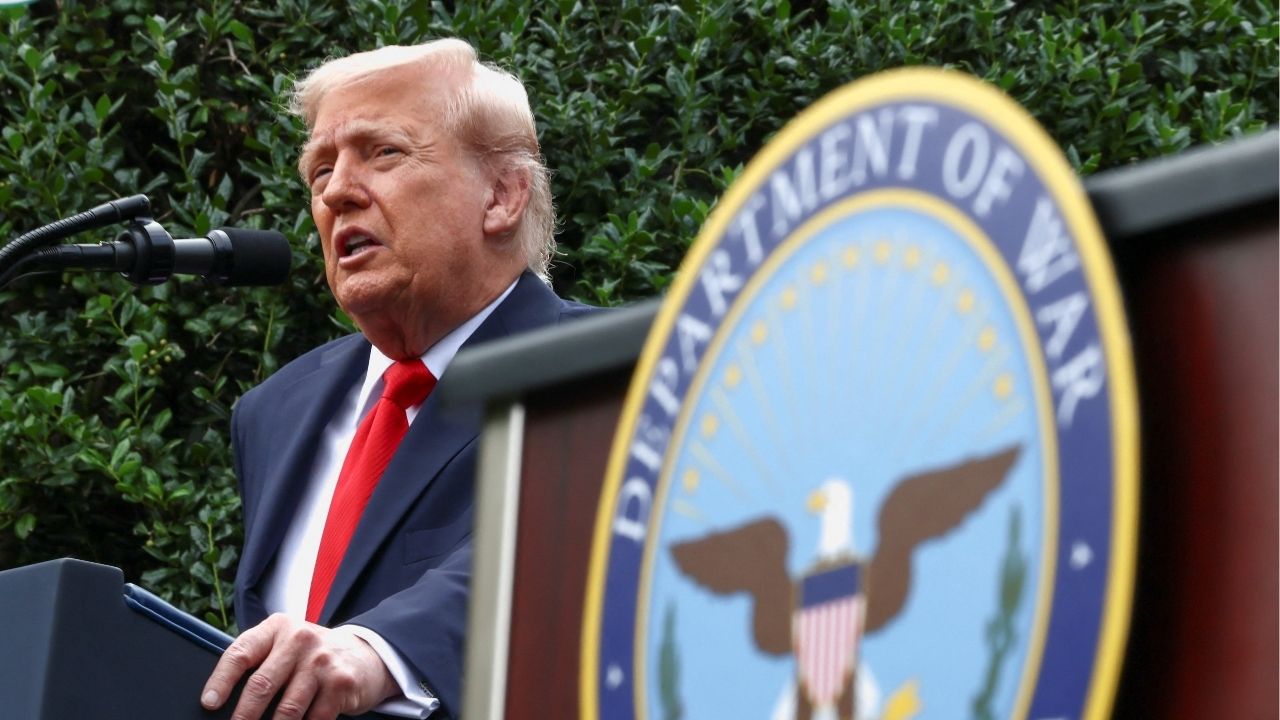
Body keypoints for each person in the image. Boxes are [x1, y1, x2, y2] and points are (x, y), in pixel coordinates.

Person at [200, 38, 592, 720]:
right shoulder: (274, 412)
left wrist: (380, 650)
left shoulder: (613, 366)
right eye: (321, 170)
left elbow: (569, 548)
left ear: (502, 195)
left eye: (383, 152)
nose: (336, 192)